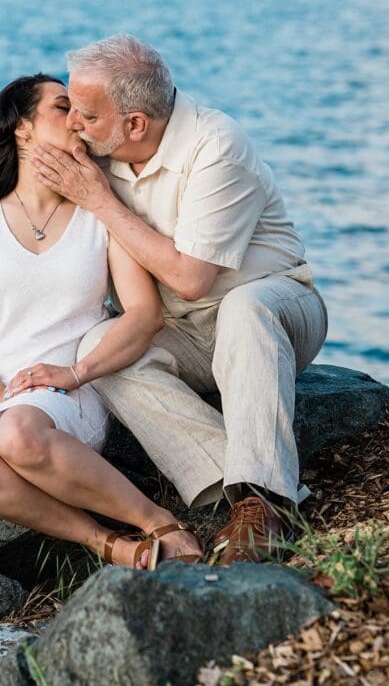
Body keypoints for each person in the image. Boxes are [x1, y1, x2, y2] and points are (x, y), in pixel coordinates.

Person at [22, 35, 328, 565]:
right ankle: (230, 482)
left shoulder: (217, 145)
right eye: (70, 109)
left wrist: (98, 199)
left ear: (135, 123)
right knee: (101, 345)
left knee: (243, 309)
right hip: (184, 332)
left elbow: (191, 278)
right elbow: (35, 214)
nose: (73, 124)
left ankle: (266, 501)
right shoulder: (103, 149)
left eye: (86, 116)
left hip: (277, 312)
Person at [0, 73, 204, 570]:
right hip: (0, 386)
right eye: (62, 108)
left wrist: (76, 375)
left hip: (73, 383)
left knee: (17, 435)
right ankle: (107, 543)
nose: (77, 119)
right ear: (22, 128)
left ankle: (155, 520)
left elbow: (144, 315)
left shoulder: (101, 212)